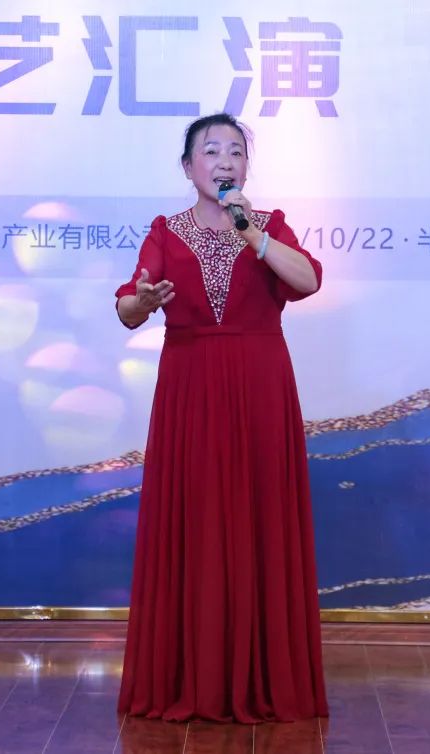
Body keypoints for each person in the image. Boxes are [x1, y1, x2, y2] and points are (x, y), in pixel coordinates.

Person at [115, 113, 328, 724]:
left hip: (260, 387)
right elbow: (128, 307)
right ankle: (191, 675)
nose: (225, 161)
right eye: (211, 151)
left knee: (259, 515)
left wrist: (253, 234)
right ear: (189, 168)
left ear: (246, 168)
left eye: (236, 151)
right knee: (196, 515)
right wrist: (144, 301)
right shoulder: (166, 231)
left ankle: (263, 675)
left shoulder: (269, 226)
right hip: (190, 388)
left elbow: (308, 280)